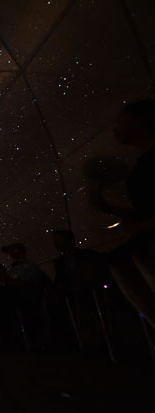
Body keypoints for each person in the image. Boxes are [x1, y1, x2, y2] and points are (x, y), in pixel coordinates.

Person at [93, 99, 155, 328]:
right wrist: (107, 207)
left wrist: (143, 228)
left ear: (143, 119)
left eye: (121, 120)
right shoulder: (142, 166)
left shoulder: (149, 163)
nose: (115, 128)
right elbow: (145, 211)